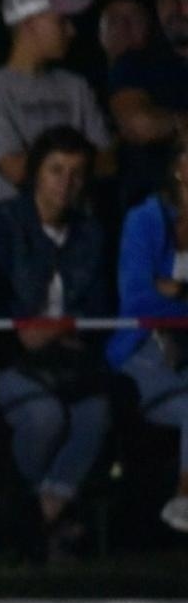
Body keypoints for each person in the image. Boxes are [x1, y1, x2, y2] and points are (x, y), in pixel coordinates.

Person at [0, 127, 111, 558]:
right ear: (36, 173)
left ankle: (41, 515)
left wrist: (56, 330)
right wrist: (37, 332)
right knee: (44, 416)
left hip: (73, 359)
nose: (65, 183)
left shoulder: (91, 233)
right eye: (56, 170)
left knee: (97, 413)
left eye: (76, 173)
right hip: (12, 362)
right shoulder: (1, 224)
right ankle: (27, 514)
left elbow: (101, 306)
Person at [0, 0, 114, 209]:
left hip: (74, 222)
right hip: (13, 224)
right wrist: (81, 165)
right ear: (29, 25)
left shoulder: (76, 86)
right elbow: (15, 170)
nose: (71, 31)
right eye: (61, 21)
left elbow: (108, 161)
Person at [106, 134, 188, 533]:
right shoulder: (145, 220)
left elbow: (161, 296)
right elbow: (138, 301)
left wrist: (174, 291)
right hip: (145, 354)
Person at [110, 0, 188, 208]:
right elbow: (139, 124)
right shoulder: (136, 64)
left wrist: (171, 123)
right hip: (154, 204)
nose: (174, 7)